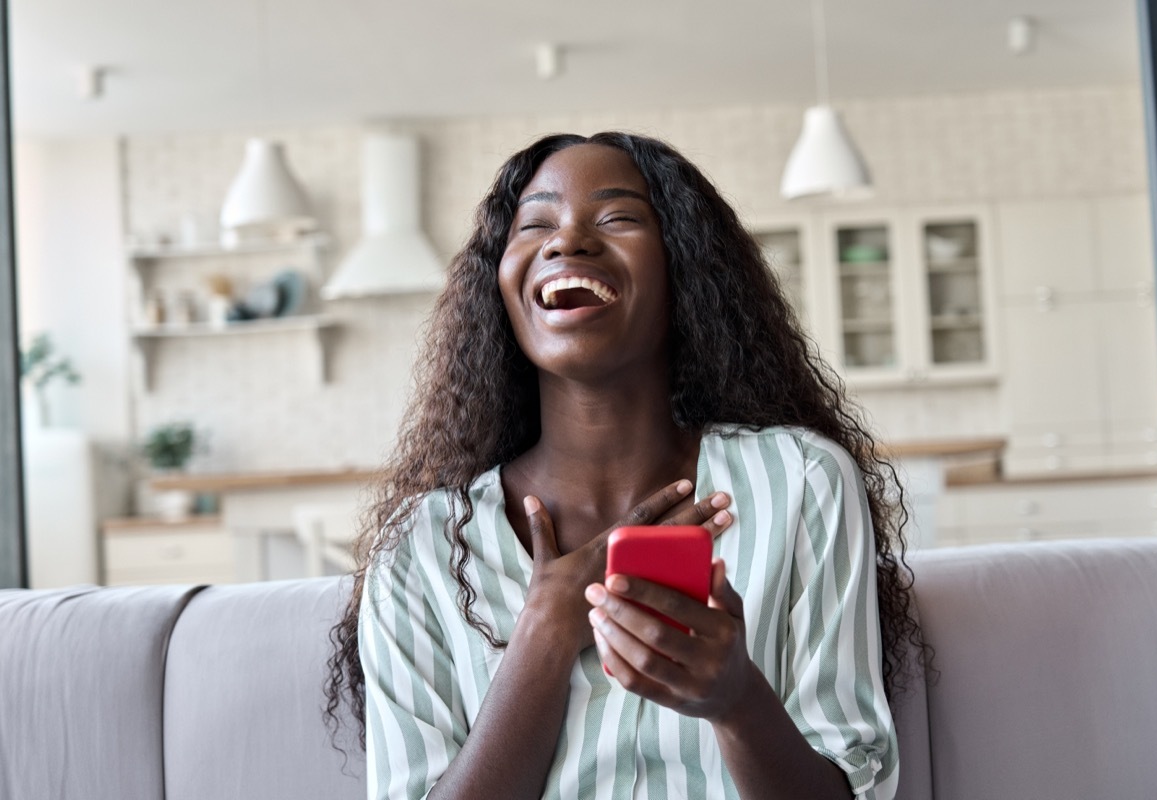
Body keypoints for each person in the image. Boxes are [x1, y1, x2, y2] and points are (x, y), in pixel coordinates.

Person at [325, 131, 924, 800]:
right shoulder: (424, 547)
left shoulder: (802, 481)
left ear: (684, 270)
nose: (568, 241)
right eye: (536, 224)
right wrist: (545, 633)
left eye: (617, 217)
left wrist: (735, 699)